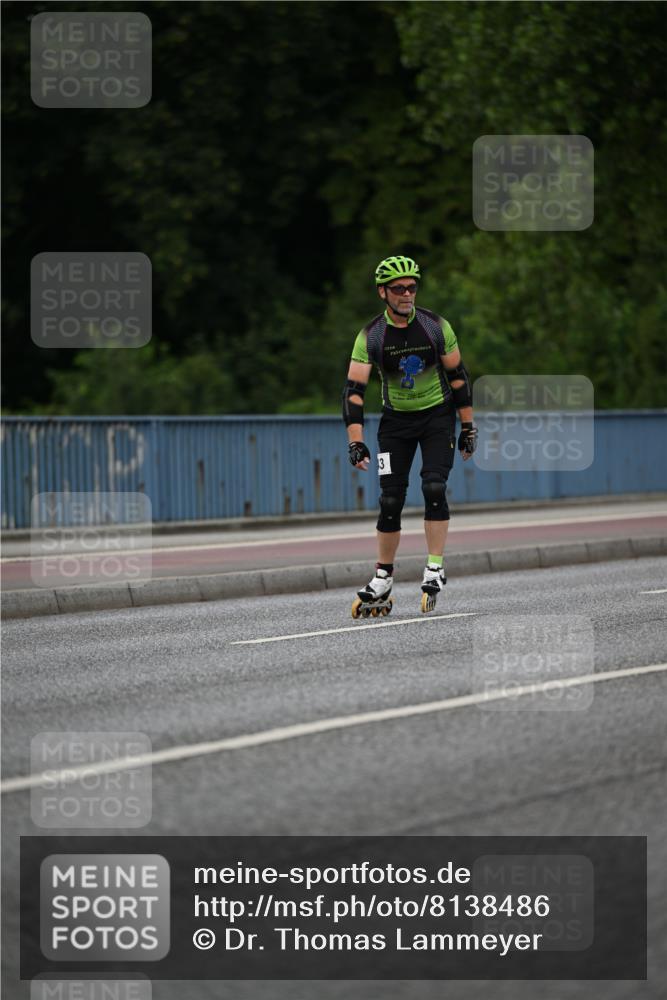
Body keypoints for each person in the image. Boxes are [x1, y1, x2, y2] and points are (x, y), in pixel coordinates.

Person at [342, 255, 477, 615]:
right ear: (382, 292)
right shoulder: (370, 336)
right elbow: (354, 392)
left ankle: (435, 566)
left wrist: (468, 427)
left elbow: (459, 378)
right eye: (399, 288)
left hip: (436, 417)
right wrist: (355, 441)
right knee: (390, 499)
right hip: (395, 422)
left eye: (412, 287)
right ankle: (383, 576)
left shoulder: (435, 327)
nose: (407, 294)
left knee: (433, 486)